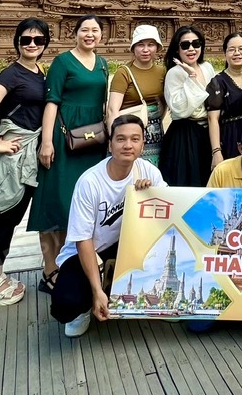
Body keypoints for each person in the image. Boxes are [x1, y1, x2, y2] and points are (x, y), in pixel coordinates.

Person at [50, 114, 163, 338]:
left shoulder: (149, 172)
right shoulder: (90, 182)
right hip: (89, 250)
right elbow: (83, 240)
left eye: (135, 139)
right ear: (110, 144)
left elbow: (168, 217)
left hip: (127, 246)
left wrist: (152, 195)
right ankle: (87, 306)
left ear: (143, 144)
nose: (128, 145)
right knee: (65, 304)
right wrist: (96, 290)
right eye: (120, 139)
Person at [29, 14, 108, 295]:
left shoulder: (102, 63)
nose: (90, 34)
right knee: (57, 200)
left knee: (82, 204)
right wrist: (46, 142)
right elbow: (52, 103)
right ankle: (50, 268)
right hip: (64, 138)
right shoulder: (63, 62)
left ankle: (73, 265)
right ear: (75, 33)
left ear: (101, 35)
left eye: (95, 30)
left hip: (92, 140)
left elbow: (103, 103)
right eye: (85, 30)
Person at [0, 17, 51, 307]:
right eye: (26, 40)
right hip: (13, 154)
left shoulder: (38, 72)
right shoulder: (11, 74)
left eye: (38, 40)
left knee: (13, 215)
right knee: (1, 214)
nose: (32, 45)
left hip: (30, 153)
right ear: (17, 42)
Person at [160, 24, 215, 186]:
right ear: (177, 49)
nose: (191, 49)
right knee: (187, 183)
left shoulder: (207, 68)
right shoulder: (174, 73)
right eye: (185, 45)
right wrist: (191, 76)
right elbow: (180, 108)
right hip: (185, 135)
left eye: (196, 44)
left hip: (208, 132)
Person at [105, 24, 166, 167]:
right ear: (133, 48)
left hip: (155, 134)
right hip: (129, 133)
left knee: (151, 176)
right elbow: (112, 110)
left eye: (150, 45)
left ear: (157, 47)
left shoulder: (162, 72)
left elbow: (163, 104)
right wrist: (115, 138)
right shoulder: (123, 72)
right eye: (140, 45)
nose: (145, 50)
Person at [207, 33, 242, 171]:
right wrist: (216, 152)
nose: (237, 53)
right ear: (225, 53)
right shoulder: (217, 82)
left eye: (241, 49)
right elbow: (212, 119)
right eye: (232, 49)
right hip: (228, 137)